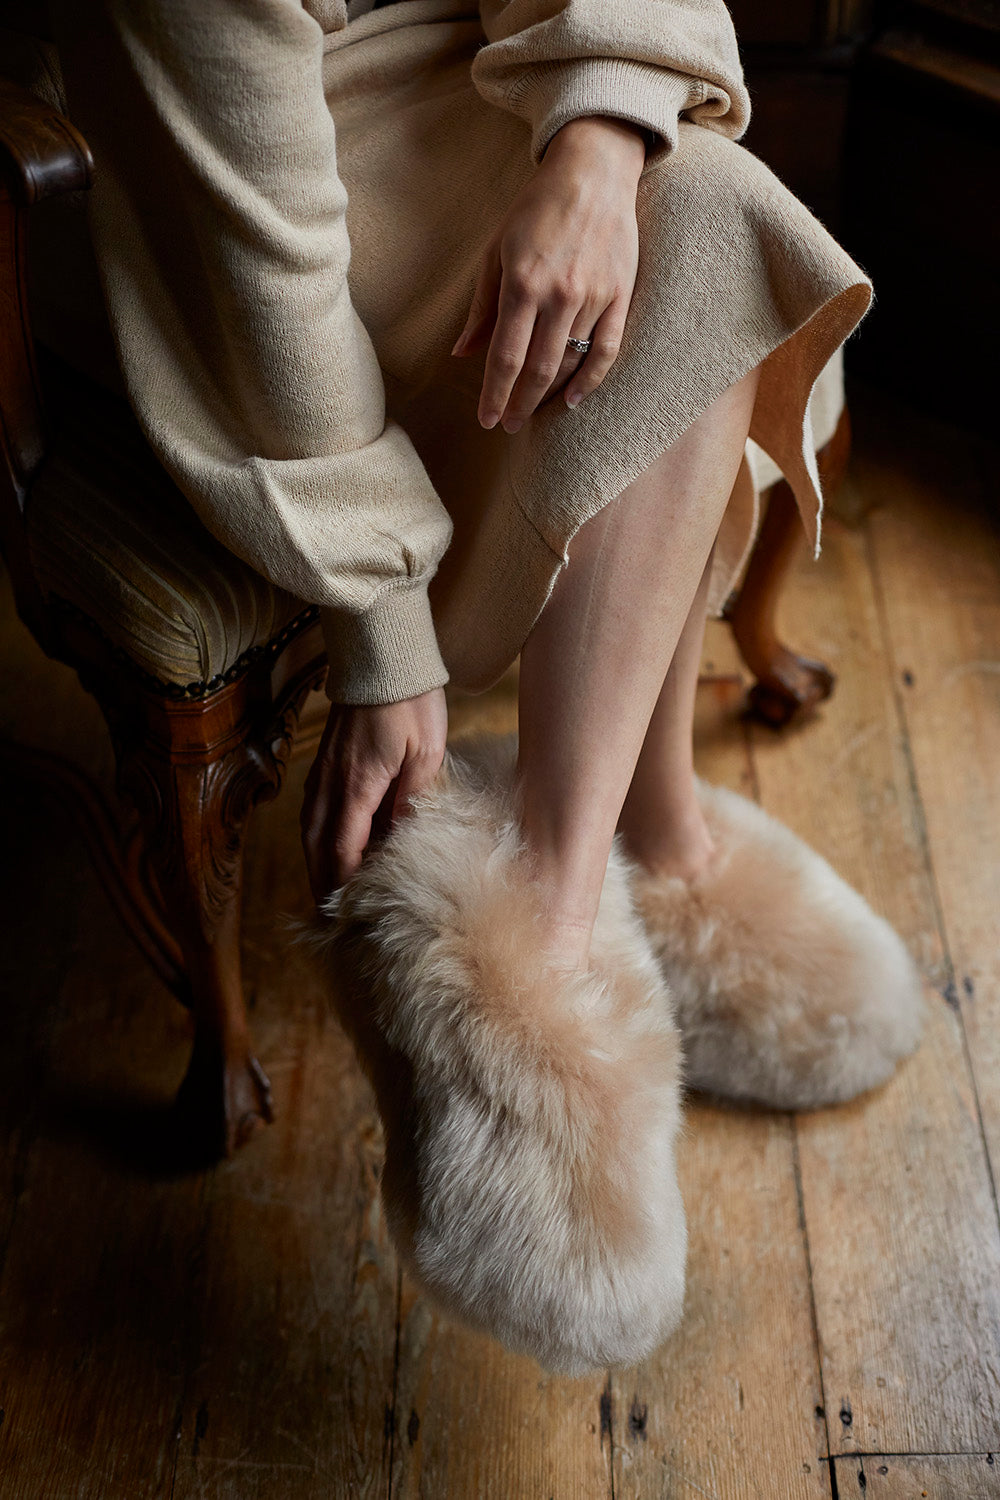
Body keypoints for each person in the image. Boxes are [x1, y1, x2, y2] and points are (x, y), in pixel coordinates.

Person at [46, 0, 922, 1117]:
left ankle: (649, 828)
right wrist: (383, 627)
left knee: (694, 205)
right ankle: (552, 935)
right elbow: (265, 282)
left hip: (472, 53)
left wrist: (600, 140)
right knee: (695, 225)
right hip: (199, 174)